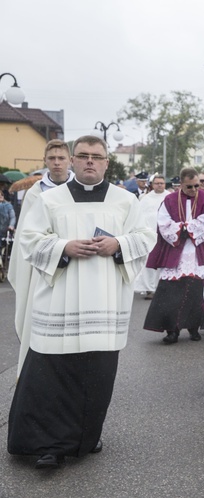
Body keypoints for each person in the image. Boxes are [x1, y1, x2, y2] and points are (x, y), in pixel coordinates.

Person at [8, 135, 156, 469]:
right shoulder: (50, 200)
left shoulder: (125, 201)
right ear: (73, 160)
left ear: (107, 163)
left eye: (97, 157)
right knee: (51, 376)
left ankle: (86, 437)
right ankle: (47, 445)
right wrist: (64, 248)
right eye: (83, 156)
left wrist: (117, 243)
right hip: (58, 304)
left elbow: (146, 237)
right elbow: (29, 241)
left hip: (104, 306)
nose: (90, 161)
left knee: (96, 376)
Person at [8, 139, 75, 378]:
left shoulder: (79, 190)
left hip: (76, 266)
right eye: (52, 159)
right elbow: (28, 237)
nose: (57, 163)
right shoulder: (35, 193)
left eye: (61, 158)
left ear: (70, 161)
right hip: (42, 268)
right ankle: (39, 375)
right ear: (45, 161)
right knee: (41, 321)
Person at [143, 167, 204, 343]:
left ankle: (193, 327)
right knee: (171, 293)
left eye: (196, 186)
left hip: (198, 250)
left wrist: (189, 228)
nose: (193, 190)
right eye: (189, 186)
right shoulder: (169, 200)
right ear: (181, 185)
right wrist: (180, 229)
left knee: (197, 291)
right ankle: (172, 330)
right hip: (177, 249)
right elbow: (163, 222)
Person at [133, 174, 169, 299]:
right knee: (149, 263)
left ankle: (161, 289)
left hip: (166, 237)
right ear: (152, 185)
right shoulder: (145, 199)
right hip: (150, 235)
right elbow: (139, 216)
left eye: (162, 183)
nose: (159, 185)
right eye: (157, 183)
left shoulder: (170, 197)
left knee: (163, 263)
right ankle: (149, 288)